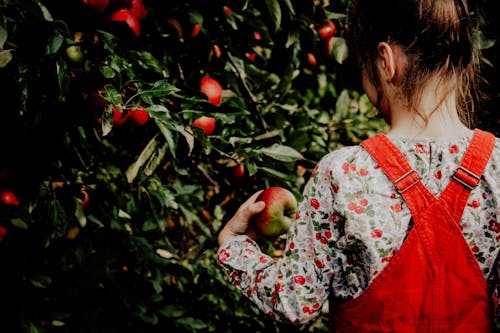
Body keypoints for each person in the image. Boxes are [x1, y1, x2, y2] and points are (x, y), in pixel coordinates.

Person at [217, 0, 500, 331]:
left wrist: (235, 247)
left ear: (384, 61)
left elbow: (294, 302)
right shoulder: (497, 167)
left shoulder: (342, 175)